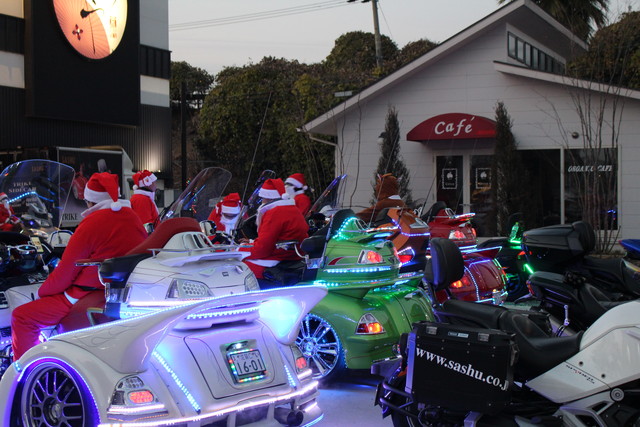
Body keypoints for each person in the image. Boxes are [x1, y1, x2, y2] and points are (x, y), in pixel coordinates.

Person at [11, 172, 147, 360]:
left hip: (87, 293)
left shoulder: (93, 222)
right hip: (124, 291)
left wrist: (44, 291)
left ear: (90, 201)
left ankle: (23, 373)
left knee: (22, 316)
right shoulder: (132, 216)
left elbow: (65, 273)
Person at [241, 178, 308, 279]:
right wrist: (252, 242)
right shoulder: (292, 209)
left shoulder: (274, 213)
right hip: (293, 255)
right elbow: (279, 238)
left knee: (237, 267)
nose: (262, 202)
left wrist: (239, 250)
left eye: (262, 198)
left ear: (269, 198)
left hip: (278, 258)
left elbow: (262, 249)